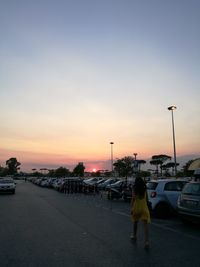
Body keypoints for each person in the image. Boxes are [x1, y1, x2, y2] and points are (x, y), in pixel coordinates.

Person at [130, 176, 150, 249]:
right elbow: (147, 199)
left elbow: (133, 199)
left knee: (135, 222)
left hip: (137, 208)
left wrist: (131, 208)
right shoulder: (144, 188)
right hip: (144, 208)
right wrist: (147, 206)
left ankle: (134, 236)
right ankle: (147, 241)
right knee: (145, 226)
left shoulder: (135, 189)